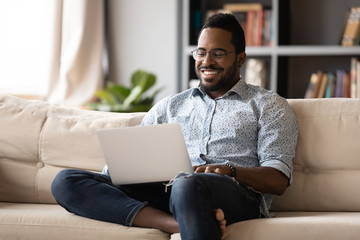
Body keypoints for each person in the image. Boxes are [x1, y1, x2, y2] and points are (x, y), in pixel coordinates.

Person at [51, 13, 298, 240]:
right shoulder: (170, 106)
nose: (206, 61)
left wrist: (227, 171)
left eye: (218, 53)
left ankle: (189, 214)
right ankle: (177, 224)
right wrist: (119, 172)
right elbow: (124, 165)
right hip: (167, 192)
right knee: (65, 181)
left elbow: (277, 180)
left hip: (235, 194)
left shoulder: (268, 105)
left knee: (187, 183)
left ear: (240, 59)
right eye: (200, 53)